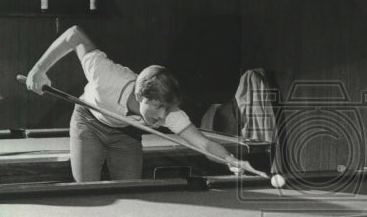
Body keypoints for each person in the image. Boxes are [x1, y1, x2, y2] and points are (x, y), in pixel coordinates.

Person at [24, 25, 257, 182]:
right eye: (156, 106)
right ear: (140, 96)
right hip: (89, 123)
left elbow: (203, 145)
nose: (162, 115)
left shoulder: (168, 112)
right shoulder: (105, 75)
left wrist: (230, 159)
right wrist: (39, 69)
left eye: (166, 108)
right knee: (87, 190)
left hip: (127, 134)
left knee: (132, 191)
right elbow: (74, 34)